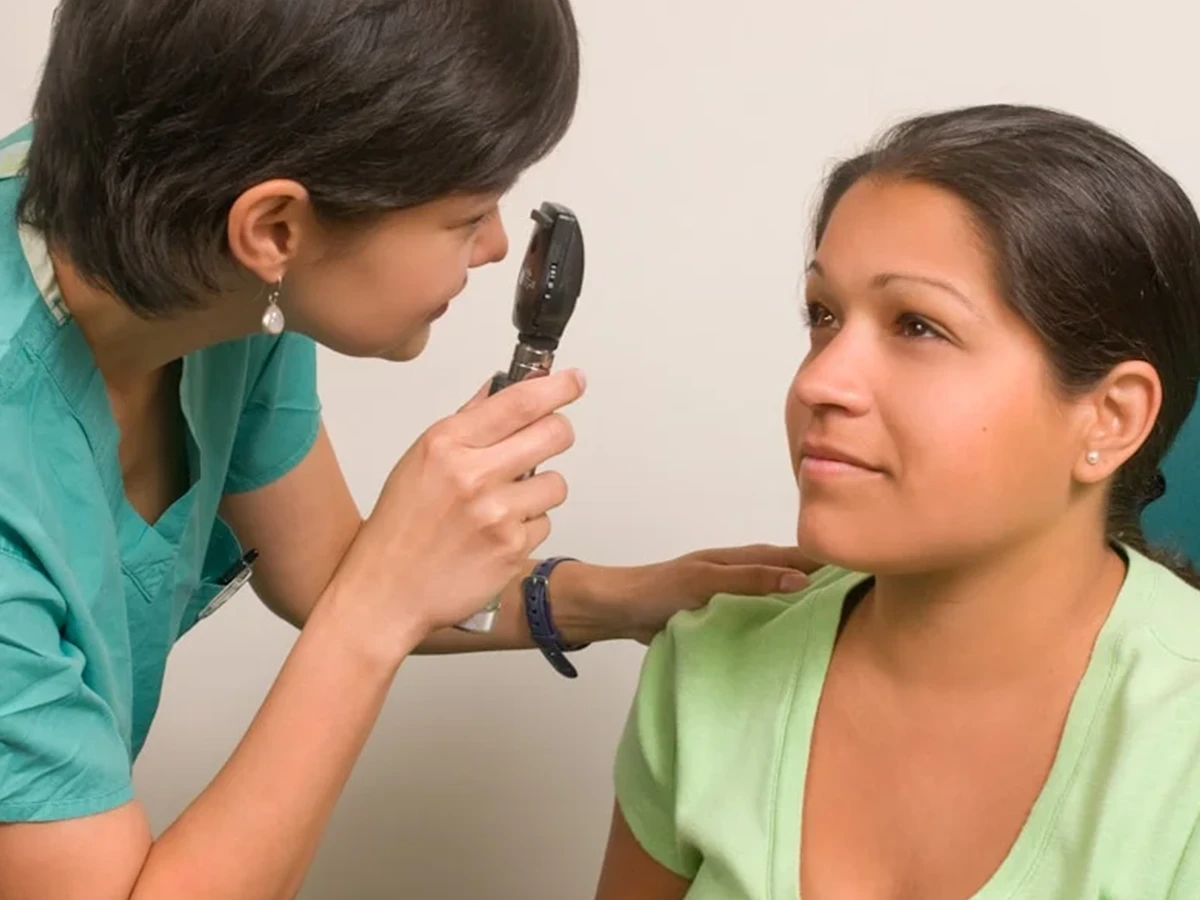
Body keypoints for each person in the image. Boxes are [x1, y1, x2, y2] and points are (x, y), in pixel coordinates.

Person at [0, 1, 813, 897]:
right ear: (274, 230)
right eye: (467, 215)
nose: (500, 246)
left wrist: (625, 599)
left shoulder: (189, 239)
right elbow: (361, 596)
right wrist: (375, 615)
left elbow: (324, 570)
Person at [595, 104, 1200, 900]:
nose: (818, 381)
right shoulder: (707, 669)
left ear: (1110, 417)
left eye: (917, 326)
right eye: (823, 316)